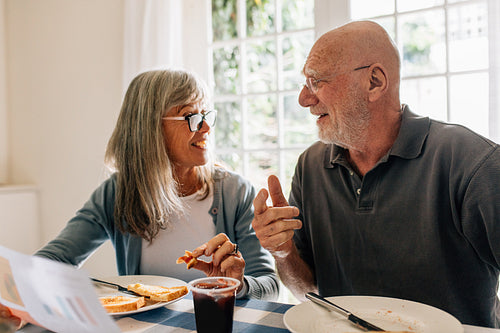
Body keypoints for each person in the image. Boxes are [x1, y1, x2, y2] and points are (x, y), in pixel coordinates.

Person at [252, 20, 500, 328]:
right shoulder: (309, 167)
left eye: (316, 81)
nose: (304, 98)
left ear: (374, 82)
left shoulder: (473, 163)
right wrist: (282, 251)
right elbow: (306, 290)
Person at [1, 69, 280, 330]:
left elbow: (270, 284)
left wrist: (237, 284)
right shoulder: (117, 193)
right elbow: (57, 258)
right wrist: (16, 293)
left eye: (206, 114)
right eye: (191, 116)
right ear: (148, 127)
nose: (206, 127)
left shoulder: (235, 192)